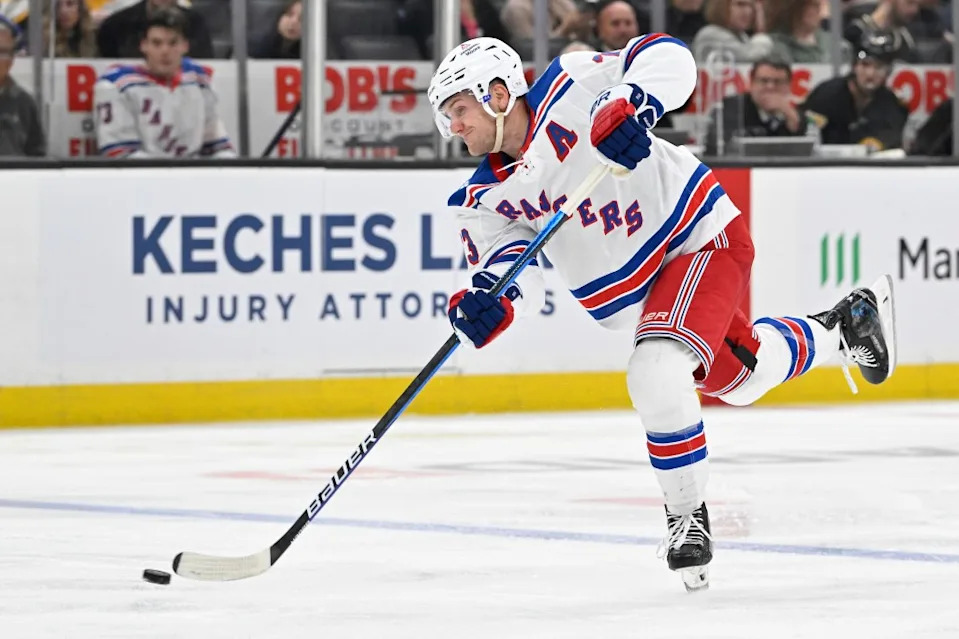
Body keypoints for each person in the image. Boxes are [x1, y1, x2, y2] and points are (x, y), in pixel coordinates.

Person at [427, 35, 897, 590]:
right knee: (743, 378)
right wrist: (489, 304)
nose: (453, 128)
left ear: (498, 92)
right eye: (446, 118)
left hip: (697, 242)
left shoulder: (571, 84)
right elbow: (509, 273)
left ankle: (686, 518)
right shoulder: (480, 199)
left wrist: (635, 102)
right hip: (651, 296)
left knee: (655, 368)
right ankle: (843, 327)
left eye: (458, 110)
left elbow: (668, 56)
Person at [93, 9, 235, 158]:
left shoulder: (199, 81)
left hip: (192, 176)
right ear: (143, 46)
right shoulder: (116, 85)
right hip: (143, 178)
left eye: (173, 43)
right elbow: (121, 154)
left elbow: (218, 146)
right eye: (157, 43)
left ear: (185, 46)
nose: (165, 51)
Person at [802, 29, 908, 150]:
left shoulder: (891, 103)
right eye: (865, 64)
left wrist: (878, 143)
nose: (870, 73)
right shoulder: (827, 95)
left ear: (888, 72)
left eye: (879, 67)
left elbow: (892, 136)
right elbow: (805, 134)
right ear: (854, 66)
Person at [705, 55, 806, 154]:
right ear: (752, 83)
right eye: (764, 81)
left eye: (778, 82)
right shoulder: (731, 107)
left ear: (789, 86)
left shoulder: (796, 113)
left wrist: (790, 116)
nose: (770, 87)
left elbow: (807, 148)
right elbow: (717, 145)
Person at [97, 0, 213, 59]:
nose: (165, 50)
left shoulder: (196, 23)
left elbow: (205, 65)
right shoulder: (115, 26)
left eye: (172, 43)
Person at [0, 16, 45, 156]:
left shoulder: (24, 102)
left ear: (12, 60)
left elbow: (37, 154)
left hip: (16, 177)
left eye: (3, 52)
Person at [692, 0, 774, 61]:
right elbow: (749, 59)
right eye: (740, 4)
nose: (748, 11)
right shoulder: (710, 34)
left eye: (751, 6)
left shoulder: (743, 36)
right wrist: (760, 32)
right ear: (721, 6)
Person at [768, 0, 848, 63]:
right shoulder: (775, 44)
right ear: (797, 8)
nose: (818, 11)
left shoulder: (834, 43)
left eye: (819, 6)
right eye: (814, 6)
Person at [844, 0, 919, 62]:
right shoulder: (854, 32)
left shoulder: (906, 40)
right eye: (910, 2)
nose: (915, 10)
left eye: (917, 5)